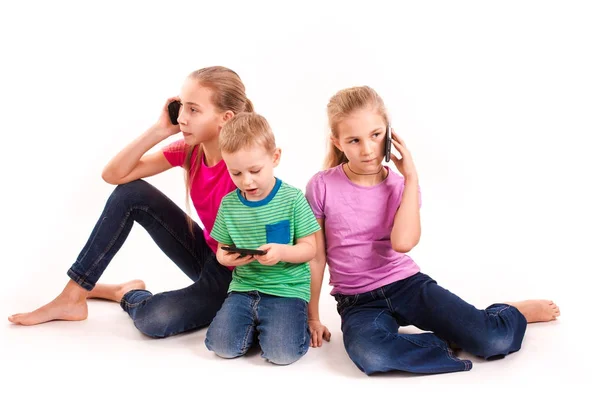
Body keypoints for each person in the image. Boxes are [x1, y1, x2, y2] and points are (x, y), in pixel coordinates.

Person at [305, 85, 561, 374]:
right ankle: (456, 335)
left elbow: (403, 243)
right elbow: (316, 256)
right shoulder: (321, 186)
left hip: (407, 286)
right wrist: (313, 316)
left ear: (389, 133)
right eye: (354, 140)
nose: (367, 149)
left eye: (376, 135)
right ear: (337, 143)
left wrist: (411, 176)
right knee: (372, 355)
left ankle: (503, 314)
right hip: (358, 301)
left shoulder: (402, 187)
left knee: (494, 340)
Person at [9, 66, 255, 339]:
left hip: (239, 275)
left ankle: (125, 292)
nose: (182, 119)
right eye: (181, 107)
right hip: (208, 254)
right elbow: (114, 175)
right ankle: (73, 294)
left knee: (154, 320)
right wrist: (160, 129)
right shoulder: (191, 151)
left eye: (194, 110)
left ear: (225, 118)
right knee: (131, 193)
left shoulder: (245, 169)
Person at [204, 112, 321, 365]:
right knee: (221, 346)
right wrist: (226, 257)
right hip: (244, 289)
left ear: (275, 157)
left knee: (282, 354)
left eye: (255, 170)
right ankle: (259, 327)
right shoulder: (229, 204)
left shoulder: (292, 199)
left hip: (286, 290)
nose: (246, 181)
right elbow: (221, 250)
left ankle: (279, 326)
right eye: (236, 173)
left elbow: (310, 249)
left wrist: (282, 252)